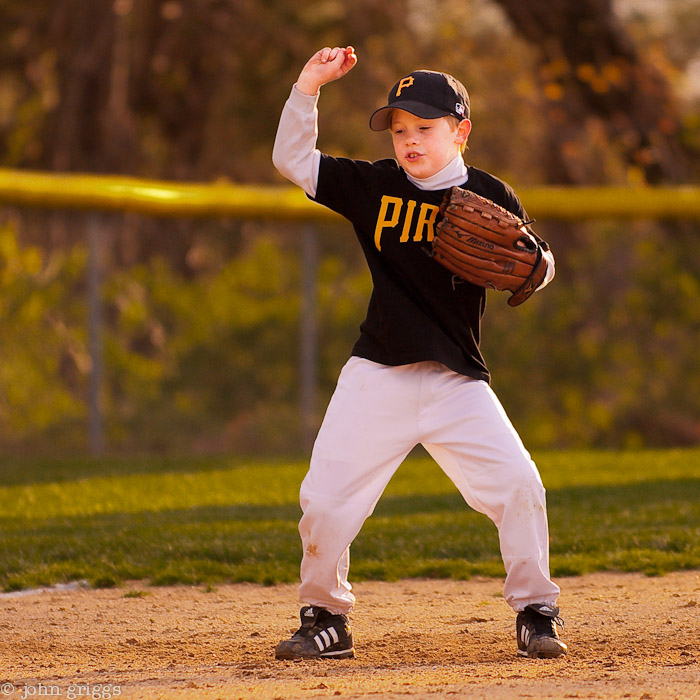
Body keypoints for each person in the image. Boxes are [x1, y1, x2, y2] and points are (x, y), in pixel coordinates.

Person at [271, 45, 566, 661]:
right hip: (377, 370)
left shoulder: (492, 194)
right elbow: (293, 160)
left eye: (423, 128)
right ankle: (324, 617)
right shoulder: (374, 185)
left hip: (456, 379)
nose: (408, 140)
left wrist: (540, 268)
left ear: (460, 131)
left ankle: (536, 612)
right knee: (324, 500)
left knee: (519, 485)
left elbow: (532, 262)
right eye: (399, 129)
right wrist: (308, 88)